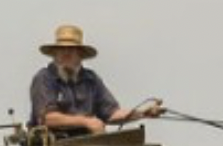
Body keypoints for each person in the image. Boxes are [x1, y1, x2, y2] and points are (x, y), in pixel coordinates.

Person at [29, 25, 163, 133]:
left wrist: (143, 113)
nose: (66, 53)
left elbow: (111, 114)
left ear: (80, 54)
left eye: (71, 49)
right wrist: (86, 122)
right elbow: (47, 119)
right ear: (54, 53)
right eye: (62, 49)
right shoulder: (44, 78)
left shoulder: (91, 79)